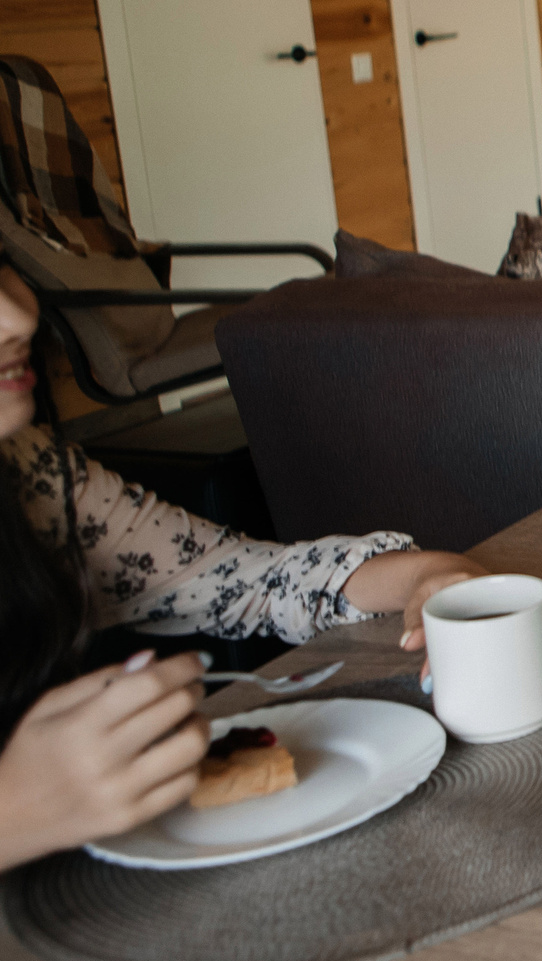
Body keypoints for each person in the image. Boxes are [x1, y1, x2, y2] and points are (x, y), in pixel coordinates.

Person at [0, 265, 484, 869]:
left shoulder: (30, 473)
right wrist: (16, 810)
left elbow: (247, 582)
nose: (19, 316)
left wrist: (428, 576)